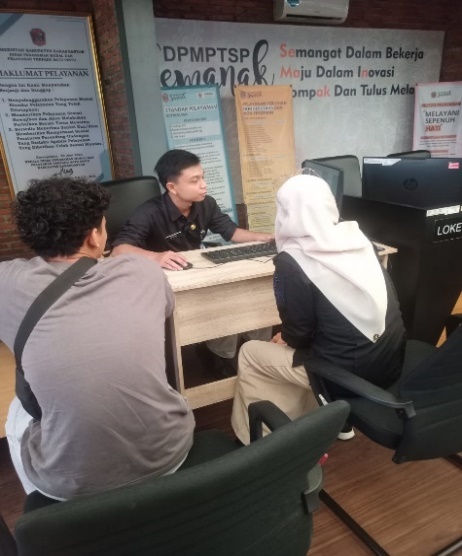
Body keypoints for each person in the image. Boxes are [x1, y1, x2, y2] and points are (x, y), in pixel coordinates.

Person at [1, 176, 195, 500]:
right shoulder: (143, 272)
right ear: (94, 236)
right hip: (170, 454)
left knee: (17, 412)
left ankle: (46, 506)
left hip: (73, 486)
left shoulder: (7, 283)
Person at [231, 174, 406, 445]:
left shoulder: (290, 262)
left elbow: (299, 335)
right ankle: (336, 422)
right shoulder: (359, 239)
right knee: (307, 346)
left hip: (344, 376)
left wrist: (285, 337)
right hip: (390, 362)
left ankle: (258, 444)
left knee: (251, 352)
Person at [112, 149, 274, 374]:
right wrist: (156, 256)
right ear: (172, 187)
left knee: (242, 296)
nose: (203, 185)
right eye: (194, 180)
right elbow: (118, 250)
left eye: (203, 177)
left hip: (195, 273)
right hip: (165, 283)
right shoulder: (149, 212)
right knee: (219, 306)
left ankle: (248, 351)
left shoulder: (206, 204)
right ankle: (216, 353)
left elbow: (232, 232)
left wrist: (266, 238)